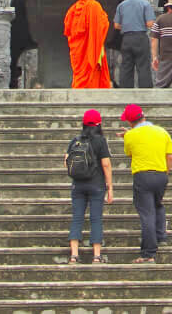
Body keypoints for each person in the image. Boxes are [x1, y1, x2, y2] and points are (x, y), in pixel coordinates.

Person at [116, 104, 172, 263]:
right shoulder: (162, 132)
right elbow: (169, 156)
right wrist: (165, 173)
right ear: (143, 116)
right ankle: (161, 236)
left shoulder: (130, 135)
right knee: (158, 203)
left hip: (142, 175)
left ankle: (149, 252)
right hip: (161, 174)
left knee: (146, 213)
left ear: (129, 122)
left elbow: (130, 153)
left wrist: (128, 136)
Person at [64, 109, 113, 264]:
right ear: (99, 124)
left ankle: (73, 255)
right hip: (96, 184)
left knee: (77, 218)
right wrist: (110, 186)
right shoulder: (100, 141)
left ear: (83, 123)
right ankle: (97, 256)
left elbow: (66, 159)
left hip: (78, 185)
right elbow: (106, 164)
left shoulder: (76, 140)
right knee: (96, 218)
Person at [63, 0, 112, 89]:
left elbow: (68, 31)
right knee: (92, 76)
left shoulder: (71, 10)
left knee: (79, 74)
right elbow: (102, 24)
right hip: (91, 49)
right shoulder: (93, 5)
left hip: (78, 51)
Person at [113, 0, 156, 89]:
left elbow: (116, 25)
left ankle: (126, 93)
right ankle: (145, 94)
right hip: (141, 37)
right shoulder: (145, 4)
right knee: (143, 67)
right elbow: (150, 23)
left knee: (126, 67)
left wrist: (127, 25)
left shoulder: (121, 5)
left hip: (126, 38)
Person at [150, 0, 172, 89]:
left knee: (161, 86)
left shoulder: (160, 19)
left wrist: (154, 57)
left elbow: (154, 40)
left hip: (165, 57)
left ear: (168, 7)